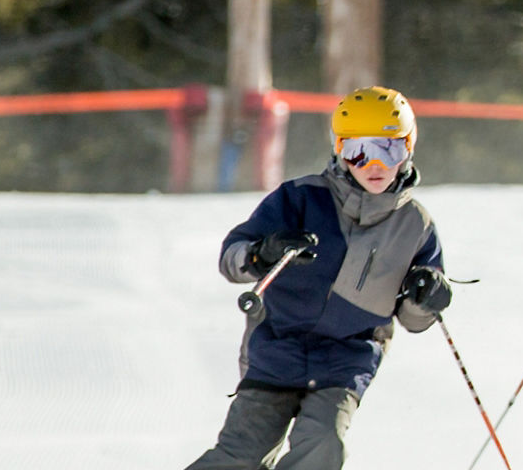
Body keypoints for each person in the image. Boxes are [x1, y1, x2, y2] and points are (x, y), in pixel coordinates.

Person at [189, 86, 454, 470]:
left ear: (408, 148)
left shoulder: (415, 225)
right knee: (241, 456)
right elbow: (232, 259)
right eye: (358, 151)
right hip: (276, 349)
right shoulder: (301, 198)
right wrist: (264, 252)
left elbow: (414, 320)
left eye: (389, 149)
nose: (374, 165)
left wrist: (426, 297)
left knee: (323, 444)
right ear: (339, 150)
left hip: (345, 361)